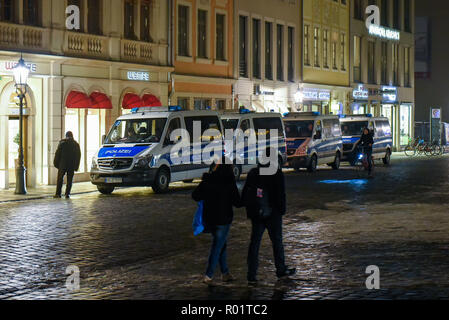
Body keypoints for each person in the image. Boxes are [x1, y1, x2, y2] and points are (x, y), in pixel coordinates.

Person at [242, 147, 296, 285]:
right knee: (277, 242)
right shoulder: (276, 174)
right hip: (273, 214)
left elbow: (246, 193)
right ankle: (280, 269)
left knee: (254, 243)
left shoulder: (254, 173)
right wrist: (281, 210)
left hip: (257, 214)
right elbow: (280, 195)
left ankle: (251, 274)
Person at [192, 157, 241, 285]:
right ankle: (209, 274)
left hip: (209, 218)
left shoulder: (208, 179)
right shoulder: (229, 181)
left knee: (221, 244)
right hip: (223, 219)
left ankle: (225, 273)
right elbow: (237, 202)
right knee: (217, 246)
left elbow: (195, 195)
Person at [53, 131, 81, 199]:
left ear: (66, 136)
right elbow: (78, 156)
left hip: (62, 165)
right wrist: (76, 166)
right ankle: (67, 194)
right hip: (71, 165)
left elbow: (57, 154)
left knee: (60, 179)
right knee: (69, 180)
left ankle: (58, 194)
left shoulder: (62, 143)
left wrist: (56, 164)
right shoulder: (76, 144)